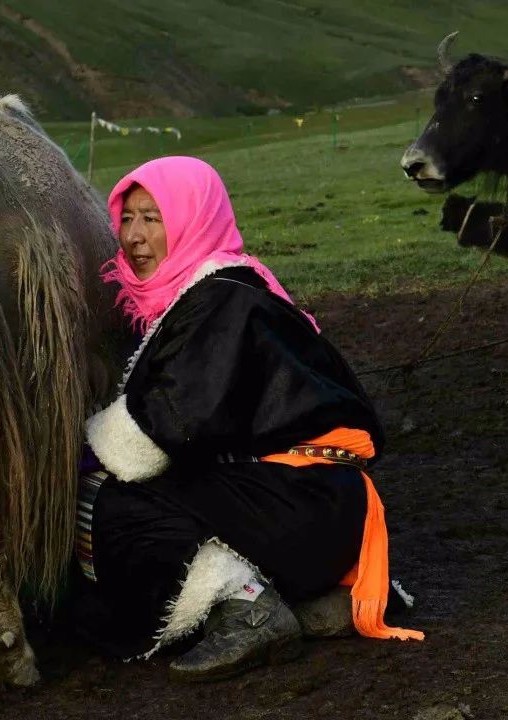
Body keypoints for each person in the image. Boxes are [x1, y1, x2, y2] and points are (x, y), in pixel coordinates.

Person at [72, 156, 422, 682]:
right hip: (319, 503)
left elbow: (152, 437)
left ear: (194, 217)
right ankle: (313, 598)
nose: (134, 236)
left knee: (112, 500)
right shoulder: (226, 291)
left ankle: (247, 608)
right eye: (127, 217)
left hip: (305, 500)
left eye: (154, 217)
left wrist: (65, 453)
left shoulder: (219, 301)